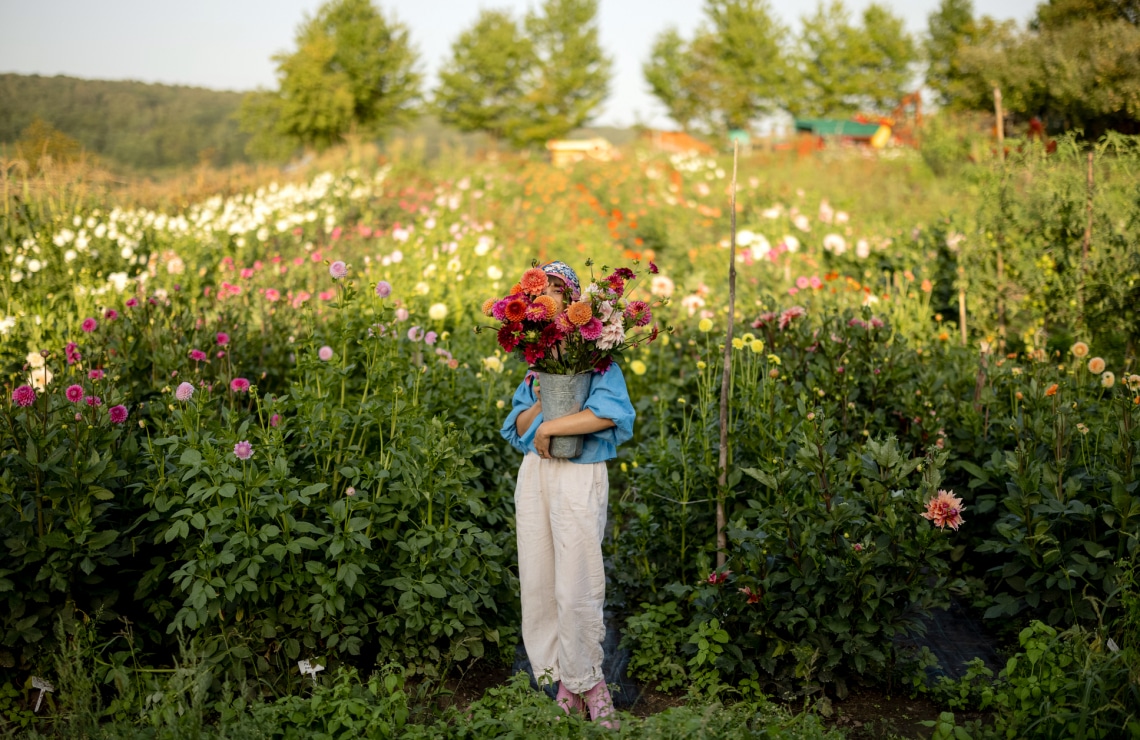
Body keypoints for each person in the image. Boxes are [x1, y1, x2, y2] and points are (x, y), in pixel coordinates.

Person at [501, 260, 635, 729]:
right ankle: (564, 685)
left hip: (578, 474)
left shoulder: (597, 359)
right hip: (536, 475)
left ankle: (592, 686)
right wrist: (546, 394)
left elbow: (611, 413)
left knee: (578, 582)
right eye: (544, 290)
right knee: (541, 582)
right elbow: (518, 427)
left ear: (574, 301)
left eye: (559, 290)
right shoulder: (536, 363)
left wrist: (555, 424)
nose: (549, 297)